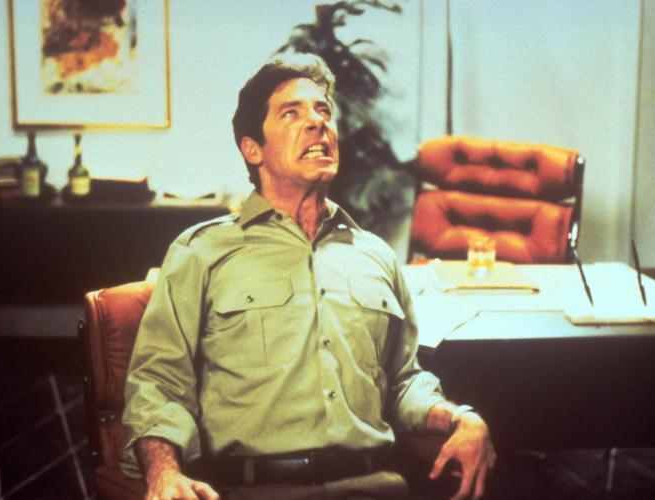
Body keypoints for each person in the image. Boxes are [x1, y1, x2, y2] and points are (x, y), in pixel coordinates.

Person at [121, 52, 496, 500]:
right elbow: (158, 383)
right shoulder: (201, 252)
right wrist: (163, 472)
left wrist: (460, 417)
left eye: (323, 111)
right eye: (292, 113)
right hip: (255, 490)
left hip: (375, 486)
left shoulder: (375, 256)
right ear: (253, 149)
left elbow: (403, 382)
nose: (318, 123)